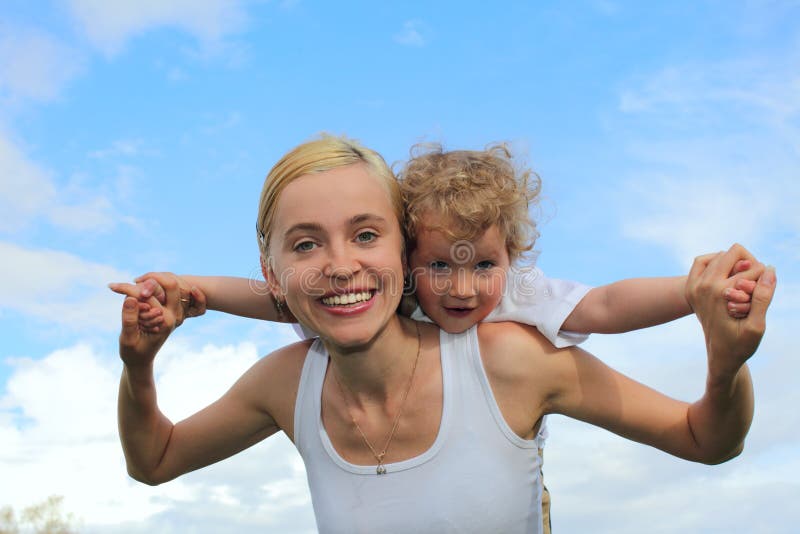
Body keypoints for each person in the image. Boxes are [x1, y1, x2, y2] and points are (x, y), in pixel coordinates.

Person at [114, 135, 774, 534]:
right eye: (307, 244)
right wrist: (141, 364)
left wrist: (724, 359)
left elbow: (705, 439)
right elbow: (155, 460)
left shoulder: (511, 361)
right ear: (273, 270)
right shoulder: (285, 384)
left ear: (402, 251)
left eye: (366, 235)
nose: (341, 263)